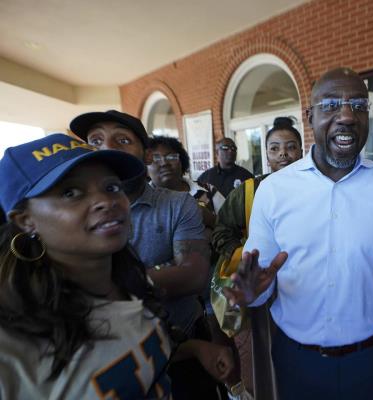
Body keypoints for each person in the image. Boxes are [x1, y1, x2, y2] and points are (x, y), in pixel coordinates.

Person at [222, 68, 373, 399]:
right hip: (297, 360)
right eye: (332, 104)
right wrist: (254, 293)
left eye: (358, 105)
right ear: (309, 117)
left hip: (371, 361)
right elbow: (263, 278)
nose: (347, 116)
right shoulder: (274, 191)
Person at [0, 134, 234, 399]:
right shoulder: (10, 344)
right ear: (25, 220)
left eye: (112, 187)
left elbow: (133, 348)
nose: (105, 201)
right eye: (70, 193)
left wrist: (195, 349)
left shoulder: (134, 285)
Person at [69, 110, 228, 399]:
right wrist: (160, 272)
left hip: (184, 343)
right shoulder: (71, 211)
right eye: (95, 140)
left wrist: (94, 292)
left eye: (122, 139)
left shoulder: (177, 204)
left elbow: (192, 276)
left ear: (146, 156)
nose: (106, 148)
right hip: (106, 358)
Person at [212, 116, 303, 398]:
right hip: (264, 288)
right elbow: (221, 231)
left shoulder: (315, 189)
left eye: (290, 147)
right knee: (268, 352)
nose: (283, 154)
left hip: (306, 284)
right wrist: (243, 255)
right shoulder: (249, 191)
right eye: (275, 148)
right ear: (266, 153)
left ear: (302, 151)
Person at [147, 135, 225, 231]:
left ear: (182, 162)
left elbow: (234, 228)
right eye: (155, 158)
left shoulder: (208, 191)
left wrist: (211, 219)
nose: (164, 163)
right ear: (145, 167)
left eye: (171, 157)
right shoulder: (142, 200)